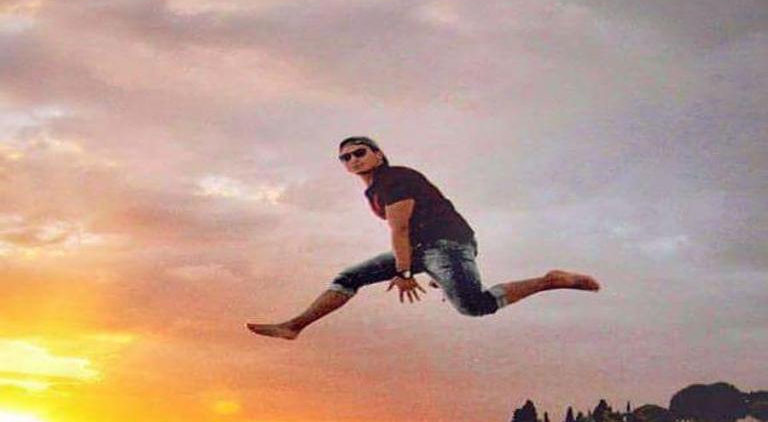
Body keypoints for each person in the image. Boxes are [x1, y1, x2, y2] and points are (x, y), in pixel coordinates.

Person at [247, 136, 599, 340]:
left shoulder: (394, 179)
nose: (352, 159)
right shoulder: (373, 191)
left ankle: (549, 281)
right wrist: (413, 267)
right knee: (349, 277)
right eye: (345, 157)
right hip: (421, 250)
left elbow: (399, 229)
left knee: (473, 306)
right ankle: (294, 326)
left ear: (378, 155)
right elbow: (407, 234)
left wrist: (403, 273)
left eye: (359, 152)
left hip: (447, 245)